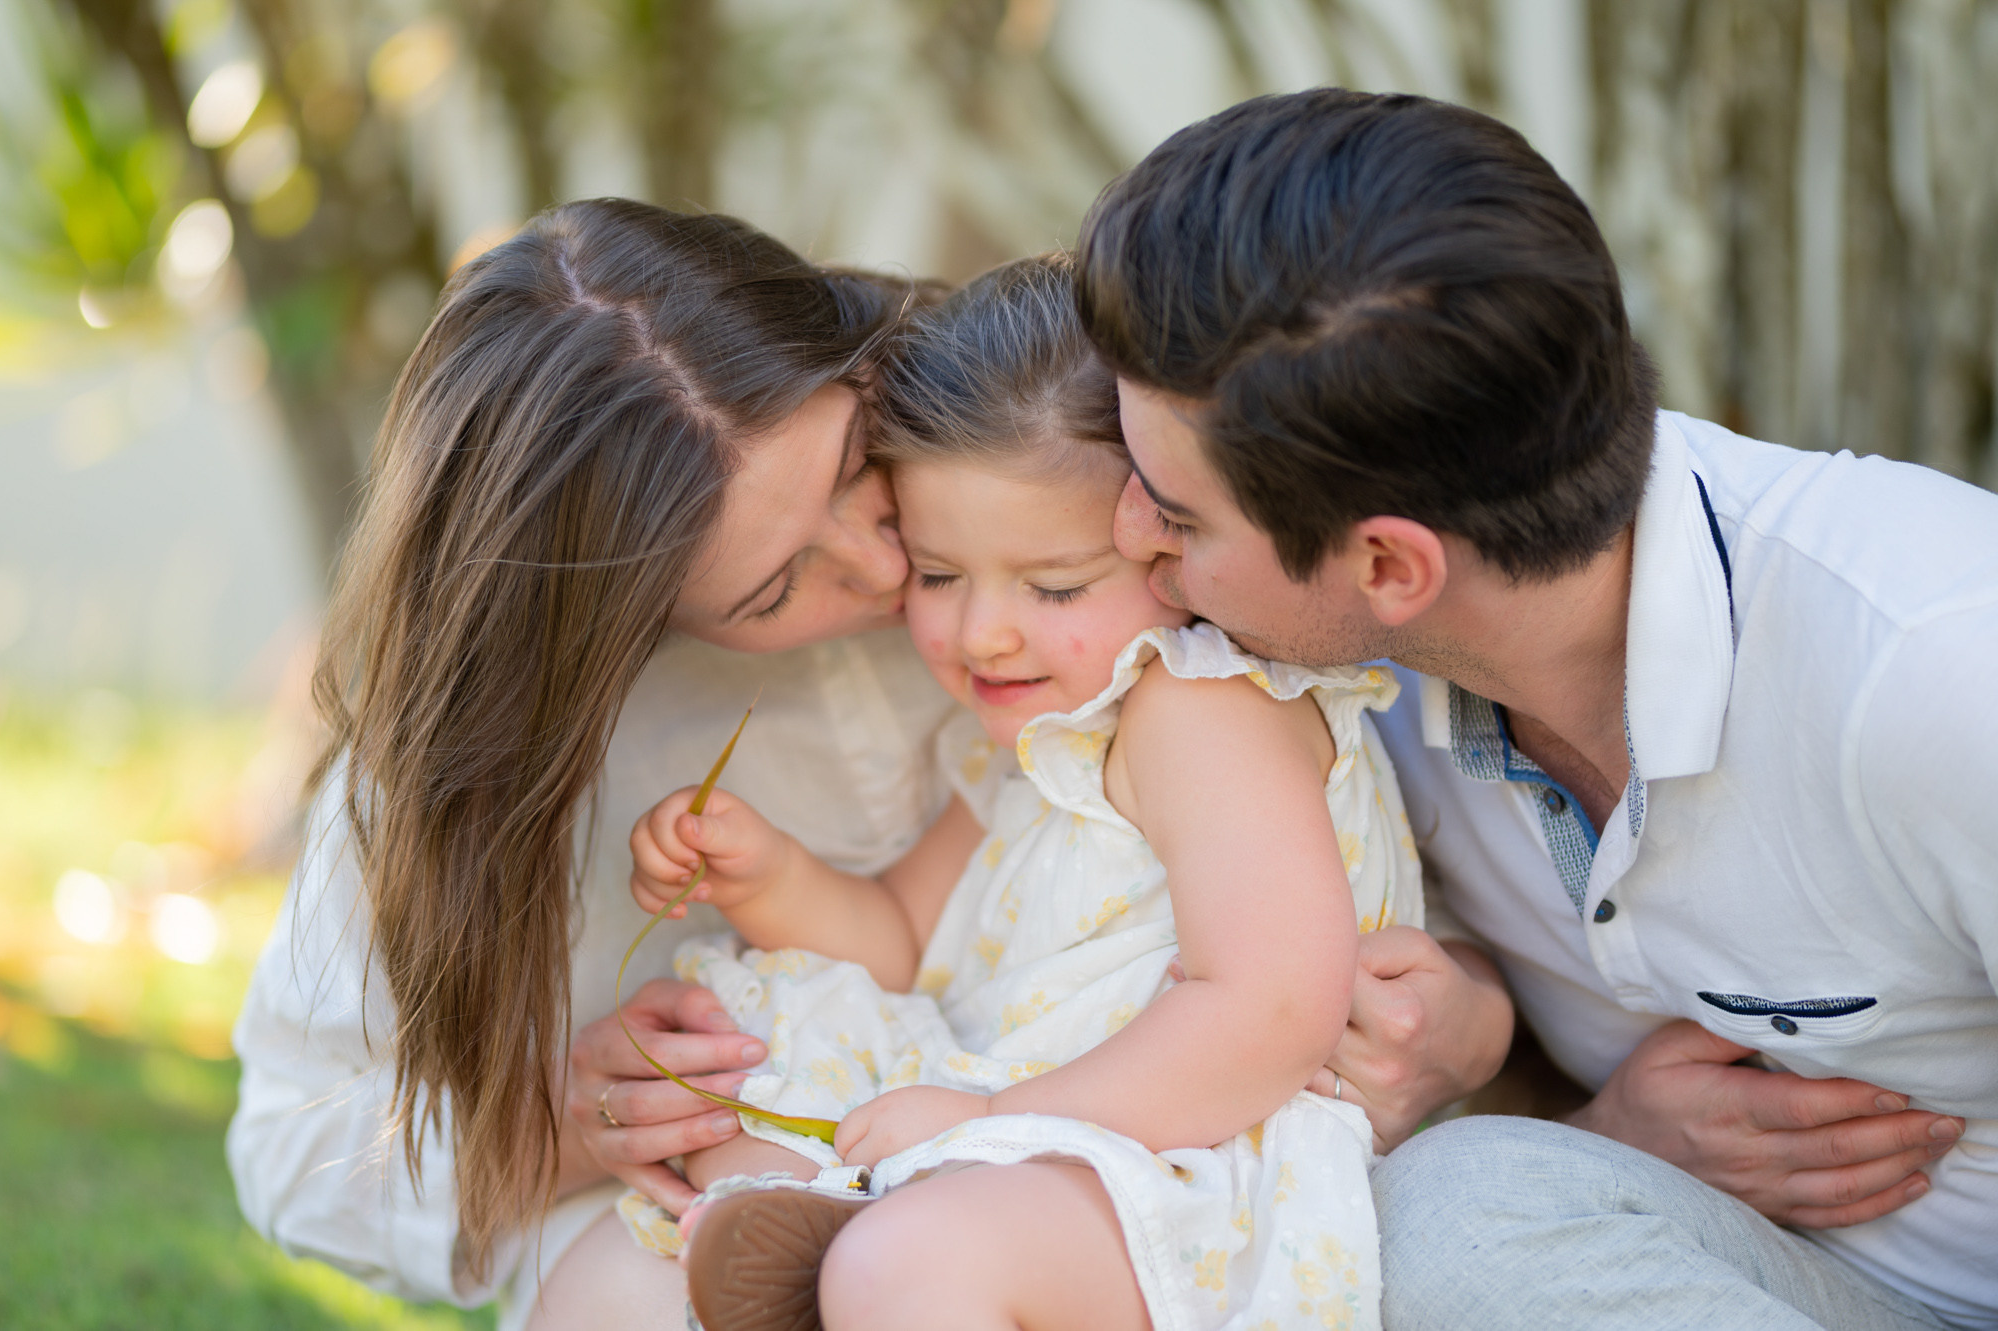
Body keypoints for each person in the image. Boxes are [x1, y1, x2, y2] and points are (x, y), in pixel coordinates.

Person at [1081, 88, 1996, 1331]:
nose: (1125, 534)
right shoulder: (1308, 691)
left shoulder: (1936, 664)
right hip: (1740, 1276)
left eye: (1176, 513)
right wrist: (1594, 1129)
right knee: (1455, 1212)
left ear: (1387, 565)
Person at [620, 254, 1422, 1331]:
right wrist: (767, 878)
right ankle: (813, 1223)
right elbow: (903, 936)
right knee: (752, 1073)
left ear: (1171, 542)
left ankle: (855, 1245)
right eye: (939, 575)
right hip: (1028, 1127)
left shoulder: (1199, 709)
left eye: (1053, 586)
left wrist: (992, 1116)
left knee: (905, 1265)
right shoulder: (1041, 744)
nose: (981, 632)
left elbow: (1273, 1006)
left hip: (1189, 1151)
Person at [226, 199, 964, 1331]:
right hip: (693, 1223)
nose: (881, 564)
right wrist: (562, 1127)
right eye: (772, 591)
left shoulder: (1016, 450)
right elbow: (289, 1145)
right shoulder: (483, 763)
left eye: (855, 465)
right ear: (615, 622)